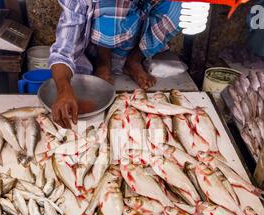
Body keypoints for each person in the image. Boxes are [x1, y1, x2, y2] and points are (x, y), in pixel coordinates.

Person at [48, 0, 183, 128]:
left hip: (136, 33)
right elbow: (63, 51)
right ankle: (104, 62)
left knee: (179, 7)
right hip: (103, 39)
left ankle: (134, 60)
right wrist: (64, 90)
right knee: (112, 6)